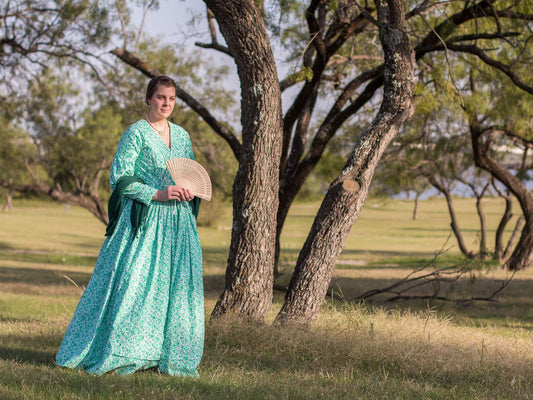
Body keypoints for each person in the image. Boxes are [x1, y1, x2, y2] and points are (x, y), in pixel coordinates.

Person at [56, 75, 204, 376]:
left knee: (175, 287)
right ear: (149, 99)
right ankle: (127, 350)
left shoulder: (183, 136)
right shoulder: (136, 133)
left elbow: (188, 173)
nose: (166, 103)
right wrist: (157, 193)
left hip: (178, 222)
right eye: (161, 97)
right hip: (145, 219)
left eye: (172, 99)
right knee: (134, 284)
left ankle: (168, 354)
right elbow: (119, 177)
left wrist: (188, 190)